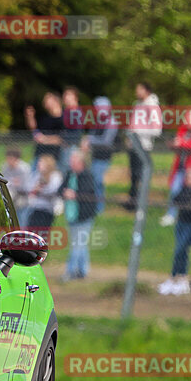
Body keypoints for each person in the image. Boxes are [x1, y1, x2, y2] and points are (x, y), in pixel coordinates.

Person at [158, 168, 191, 295]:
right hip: (181, 224)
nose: (189, 180)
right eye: (187, 178)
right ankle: (180, 279)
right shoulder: (184, 190)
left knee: (180, 249)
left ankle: (175, 277)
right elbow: (176, 200)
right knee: (181, 251)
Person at [60, 149, 98, 281]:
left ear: (81, 163)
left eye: (74, 161)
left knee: (78, 244)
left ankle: (70, 272)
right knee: (80, 244)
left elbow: (88, 193)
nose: (71, 163)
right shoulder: (70, 174)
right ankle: (82, 271)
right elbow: (60, 189)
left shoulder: (87, 175)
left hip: (84, 216)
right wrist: (65, 192)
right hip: (72, 215)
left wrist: (75, 195)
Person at [160, 118, 191, 226]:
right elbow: (176, 145)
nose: (186, 121)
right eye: (185, 119)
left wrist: (182, 142)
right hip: (181, 167)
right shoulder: (183, 131)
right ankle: (171, 215)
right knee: (175, 190)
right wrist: (173, 144)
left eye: (190, 119)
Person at [125, 82, 162, 211]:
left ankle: (139, 203)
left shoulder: (153, 107)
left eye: (139, 89)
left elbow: (156, 130)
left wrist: (137, 132)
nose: (137, 92)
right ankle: (132, 201)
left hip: (143, 146)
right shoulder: (137, 105)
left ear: (146, 90)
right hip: (133, 146)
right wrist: (130, 135)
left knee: (140, 175)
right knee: (133, 176)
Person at [81, 96, 118, 214]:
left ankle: (99, 208)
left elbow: (106, 141)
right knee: (94, 181)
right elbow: (93, 136)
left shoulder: (111, 122)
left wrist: (89, 139)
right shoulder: (97, 121)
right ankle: (95, 205)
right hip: (95, 156)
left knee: (97, 181)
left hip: (104, 157)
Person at [25, 92, 64, 168]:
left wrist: (44, 139)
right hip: (39, 154)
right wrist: (30, 117)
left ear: (55, 101)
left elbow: (62, 139)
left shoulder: (63, 119)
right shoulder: (45, 118)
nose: (44, 102)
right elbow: (35, 130)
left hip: (54, 157)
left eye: (47, 100)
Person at [26, 154, 63, 228]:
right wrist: (35, 189)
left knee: (42, 231)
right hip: (35, 207)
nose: (38, 165)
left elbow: (53, 189)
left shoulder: (55, 176)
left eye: (41, 163)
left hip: (47, 209)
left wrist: (40, 190)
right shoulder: (37, 174)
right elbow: (29, 187)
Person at [0, 148, 31, 223]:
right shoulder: (5, 167)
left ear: (17, 159)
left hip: (22, 199)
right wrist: (14, 182)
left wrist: (13, 183)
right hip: (10, 197)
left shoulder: (24, 169)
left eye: (11, 159)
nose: (9, 161)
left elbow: (26, 187)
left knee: (21, 221)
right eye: (7, 158)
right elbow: (3, 182)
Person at [60, 86, 83, 172]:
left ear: (75, 97)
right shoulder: (65, 111)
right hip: (64, 147)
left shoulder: (77, 113)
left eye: (69, 95)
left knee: (69, 172)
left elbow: (76, 132)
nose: (66, 97)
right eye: (65, 95)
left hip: (71, 147)